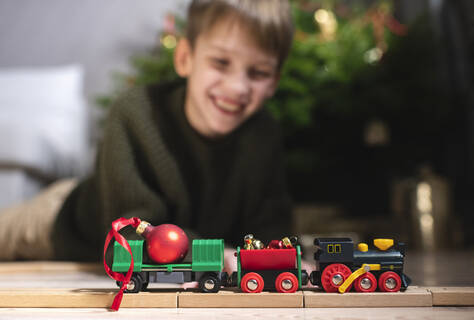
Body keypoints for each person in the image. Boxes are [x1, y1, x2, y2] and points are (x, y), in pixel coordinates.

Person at [0, 0, 295, 265]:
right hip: (62, 221)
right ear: (184, 58)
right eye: (220, 63)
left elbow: (271, 226)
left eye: (258, 73)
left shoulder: (263, 134)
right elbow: (127, 240)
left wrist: (280, 259)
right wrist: (215, 254)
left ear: (274, 82)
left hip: (170, 239)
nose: (237, 88)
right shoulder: (135, 113)